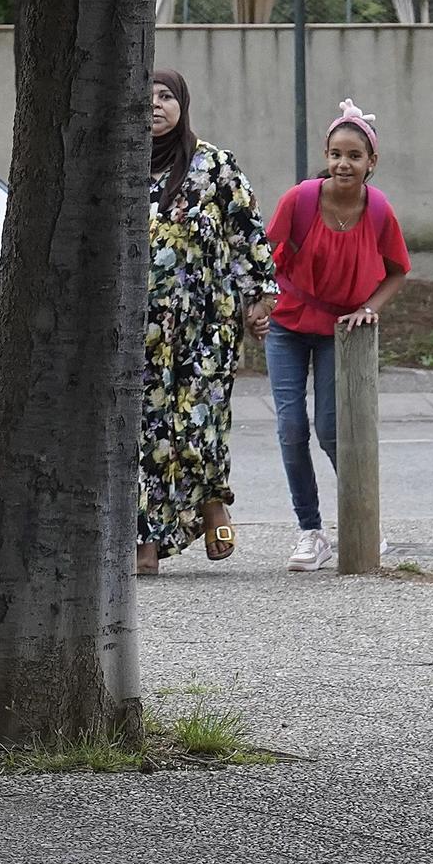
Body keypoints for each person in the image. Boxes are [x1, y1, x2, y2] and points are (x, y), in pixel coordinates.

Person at [261, 99, 411, 572]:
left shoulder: (379, 210)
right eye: (335, 154)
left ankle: (364, 521)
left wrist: (370, 308)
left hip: (338, 331)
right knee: (291, 429)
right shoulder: (300, 200)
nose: (343, 164)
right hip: (286, 325)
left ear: (371, 162)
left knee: (331, 430)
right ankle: (310, 530)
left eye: (354, 156)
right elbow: (262, 258)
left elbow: (398, 272)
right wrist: (258, 305)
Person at [136, 69, 275, 574]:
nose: (155, 105)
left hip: (207, 324)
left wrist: (258, 298)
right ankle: (146, 539)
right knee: (146, 429)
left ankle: (211, 500)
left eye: (166, 96)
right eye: (145, 97)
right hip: (139, 328)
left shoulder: (214, 165)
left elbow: (248, 235)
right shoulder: (119, 166)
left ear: (183, 104)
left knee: (200, 419)